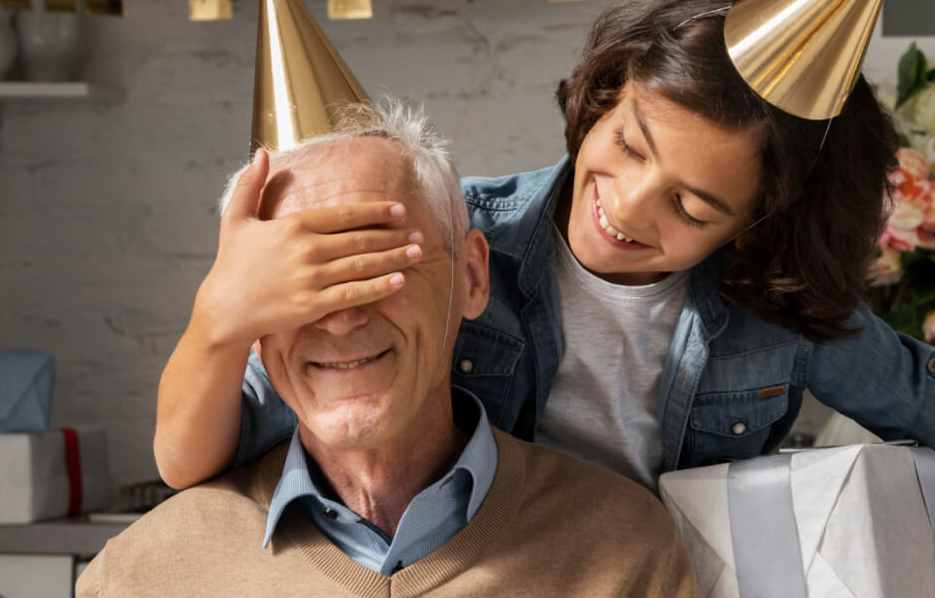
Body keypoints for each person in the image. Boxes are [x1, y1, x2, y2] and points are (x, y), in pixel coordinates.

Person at [158, 0, 935, 596]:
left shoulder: (779, 319)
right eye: (630, 145)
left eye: (692, 205)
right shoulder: (457, 242)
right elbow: (196, 455)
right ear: (605, 94)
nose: (628, 206)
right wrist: (219, 318)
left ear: (756, 225)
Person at [78, 104, 699, 597]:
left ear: (473, 279)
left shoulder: (625, 554)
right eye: (297, 284)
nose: (342, 317)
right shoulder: (139, 576)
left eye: (381, 264)